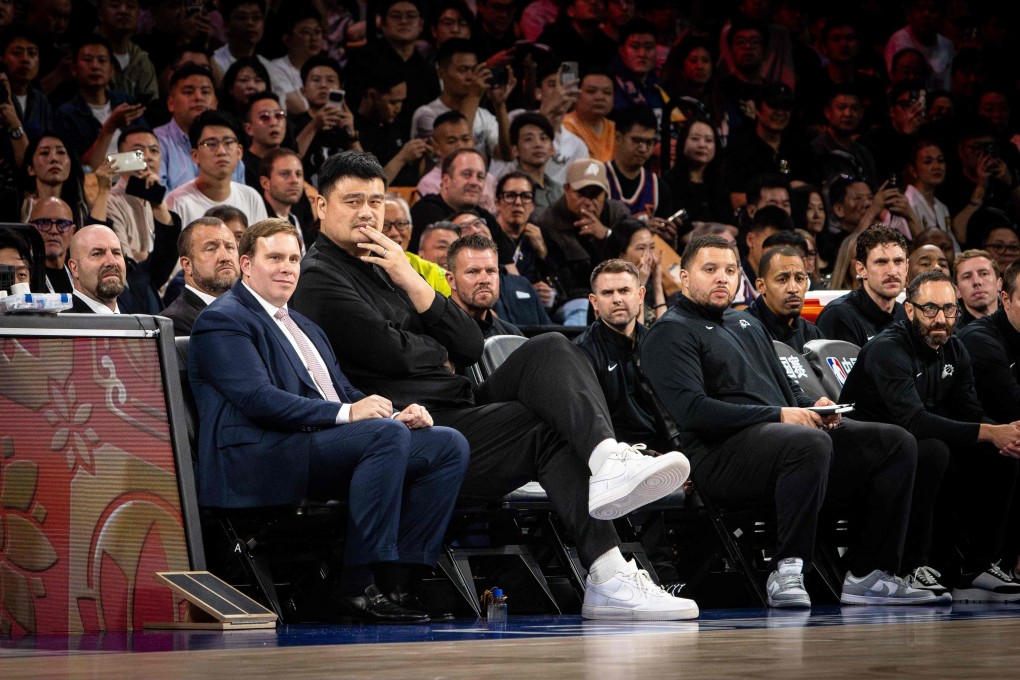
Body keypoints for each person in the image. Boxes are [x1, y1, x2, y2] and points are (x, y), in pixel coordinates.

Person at [290, 150, 698, 621]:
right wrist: (429, 343)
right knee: (547, 431)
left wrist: (411, 279)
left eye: (376, 201)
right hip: (413, 427)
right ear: (320, 206)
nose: (367, 213)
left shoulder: (389, 265)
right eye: (353, 200)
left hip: (458, 403)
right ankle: (608, 574)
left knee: (549, 346)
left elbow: (467, 343)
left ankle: (607, 460)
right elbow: (394, 353)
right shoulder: (319, 277)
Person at [189, 217, 470, 623]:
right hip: (257, 457)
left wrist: (393, 412)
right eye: (275, 258)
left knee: (446, 444)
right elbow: (259, 400)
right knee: (383, 438)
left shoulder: (305, 326)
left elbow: (341, 393)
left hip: (310, 446)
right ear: (247, 265)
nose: (287, 267)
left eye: (293, 258)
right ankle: (357, 587)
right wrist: (351, 415)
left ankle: (400, 583)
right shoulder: (224, 319)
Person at [642, 234, 937, 607]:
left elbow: (783, 389)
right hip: (718, 457)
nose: (722, 278)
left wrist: (813, 407)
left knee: (895, 443)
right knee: (806, 442)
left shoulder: (745, 324)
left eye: (730, 270)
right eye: (710, 269)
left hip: (780, 441)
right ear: (684, 278)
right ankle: (787, 571)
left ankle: (870, 574)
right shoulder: (670, 331)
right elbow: (694, 412)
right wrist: (782, 415)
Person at [840, 270, 1020, 602]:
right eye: (930, 309)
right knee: (933, 450)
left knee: (1002, 455)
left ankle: (975, 568)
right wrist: (989, 431)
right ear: (909, 310)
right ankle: (911, 566)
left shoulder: (955, 349)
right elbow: (914, 421)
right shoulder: (887, 349)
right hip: (860, 457)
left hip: (913, 448)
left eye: (950, 309)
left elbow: (969, 412)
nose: (941, 319)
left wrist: (1005, 435)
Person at [958, 261, 1020, 581]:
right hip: (967, 439)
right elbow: (1013, 406)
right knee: (1010, 452)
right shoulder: (980, 340)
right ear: (1005, 299)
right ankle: (984, 564)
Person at [575, 258, 670, 451]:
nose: (617, 299)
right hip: (618, 458)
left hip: (669, 452)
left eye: (624, 291)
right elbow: (589, 426)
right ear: (594, 302)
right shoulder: (581, 352)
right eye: (607, 293)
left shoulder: (661, 345)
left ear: (641, 295)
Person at [532, 158, 631, 304]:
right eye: (581, 194)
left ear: (605, 193)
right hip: (574, 300)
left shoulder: (617, 214)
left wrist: (607, 236)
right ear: (566, 189)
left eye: (595, 195)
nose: (588, 202)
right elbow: (561, 281)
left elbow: (635, 256)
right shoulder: (548, 222)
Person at [410, 38, 512, 164]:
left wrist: (500, 105)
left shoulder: (483, 115)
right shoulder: (426, 114)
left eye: (473, 70)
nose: (470, 77)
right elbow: (452, 158)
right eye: (463, 70)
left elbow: (507, 155)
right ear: (441, 73)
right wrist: (475, 95)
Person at [53, 34, 147, 169]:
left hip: (133, 183)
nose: (95, 66)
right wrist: (110, 126)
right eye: (87, 60)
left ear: (111, 70)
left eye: (102, 60)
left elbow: (147, 155)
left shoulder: (126, 102)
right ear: (74, 69)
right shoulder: (65, 115)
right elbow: (84, 168)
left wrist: (108, 166)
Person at [165, 110, 268, 227]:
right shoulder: (177, 202)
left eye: (228, 142)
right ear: (195, 155)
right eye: (211, 144)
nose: (221, 151)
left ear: (239, 152)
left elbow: (260, 244)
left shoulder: (251, 198)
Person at [155, 64, 246, 191]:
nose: (198, 97)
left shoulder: (230, 145)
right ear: (171, 103)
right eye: (188, 92)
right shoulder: (154, 142)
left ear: (215, 103)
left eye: (205, 92)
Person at [816, 225, 909, 346]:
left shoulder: (905, 314)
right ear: (861, 269)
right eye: (881, 262)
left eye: (898, 261)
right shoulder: (839, 316)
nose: (892, 271)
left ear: (906, 267)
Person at [159, 216, 239, 335]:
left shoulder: (251, 309)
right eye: (211, 249)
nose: (225, 257)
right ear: (187, 265)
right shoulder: (173, 322)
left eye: (230, 247)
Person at [415, 110, 499, 213]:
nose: (460, 146)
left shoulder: (490, 179)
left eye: (465, 139)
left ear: (473, 141)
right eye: (452, 141)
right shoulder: (428, 184)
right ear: (436, 147)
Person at [747, 246, 825, 352]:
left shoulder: (812, 334)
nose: (793, 289)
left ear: (806, 284)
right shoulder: (745, 331)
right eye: (782, 279)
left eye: (799, 279)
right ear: (761, 286)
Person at [444, 233, 521, 339]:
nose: (484, 280)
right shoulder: (433, 333)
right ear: (451, 280)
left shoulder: (511, 335)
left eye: (490, 271)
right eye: (472, 272)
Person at [608, 105, 674, 226]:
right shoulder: (599, 179)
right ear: (618, 138)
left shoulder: (659, 187)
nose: (643, 149)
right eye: (637, 141)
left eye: (649, 142)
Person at [382, 193, 450, 296]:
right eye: (385, 225)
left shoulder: (435, 273)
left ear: (410, 231)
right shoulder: (357, 271)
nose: (394, 233)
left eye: (401, 224)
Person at [65, 224, 126, 314]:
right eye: (97, 254)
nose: (112, 262)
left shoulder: (140, 323)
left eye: (116, 253)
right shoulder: (63, 325)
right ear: (75, 268)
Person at [562, 70, 616, 163]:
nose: (600, 97)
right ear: (576, 95)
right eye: (591, 91)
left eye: (607, 92)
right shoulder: (563, 126)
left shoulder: (616, 129)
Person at [27, 196, 76, 293]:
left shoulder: (81, 276)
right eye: (44, 222)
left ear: (72, 232)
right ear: (30, 229)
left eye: (62, 223)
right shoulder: (21, 277)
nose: (54, 231)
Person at [954, 249, 1000, 327]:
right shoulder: (954, 335)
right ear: (957, 291)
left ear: (999, 283)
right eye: (967, 277)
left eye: (984, 274)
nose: (976, 282)